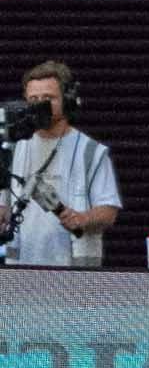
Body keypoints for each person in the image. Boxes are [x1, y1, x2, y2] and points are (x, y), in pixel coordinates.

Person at [7, 61, 123, 267]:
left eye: (48, 98)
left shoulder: (91, 152)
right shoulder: (13, 148)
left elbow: (109, 211)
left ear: (67, 100)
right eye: (33, 99)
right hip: (20, 272)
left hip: (73, 275)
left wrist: (83, 219)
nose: (39, 105)